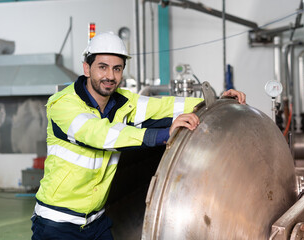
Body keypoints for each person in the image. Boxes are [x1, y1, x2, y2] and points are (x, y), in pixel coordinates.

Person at [31, 31, 246, 240]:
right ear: (87, 68)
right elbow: (100, 134)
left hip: (95, 222)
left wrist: (217, 101)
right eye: (102, 67)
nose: (110, 76)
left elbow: (164, 106)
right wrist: (163, 135)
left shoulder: (122, 101)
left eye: (117, 69)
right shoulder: (64, 104)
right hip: (57, 223)